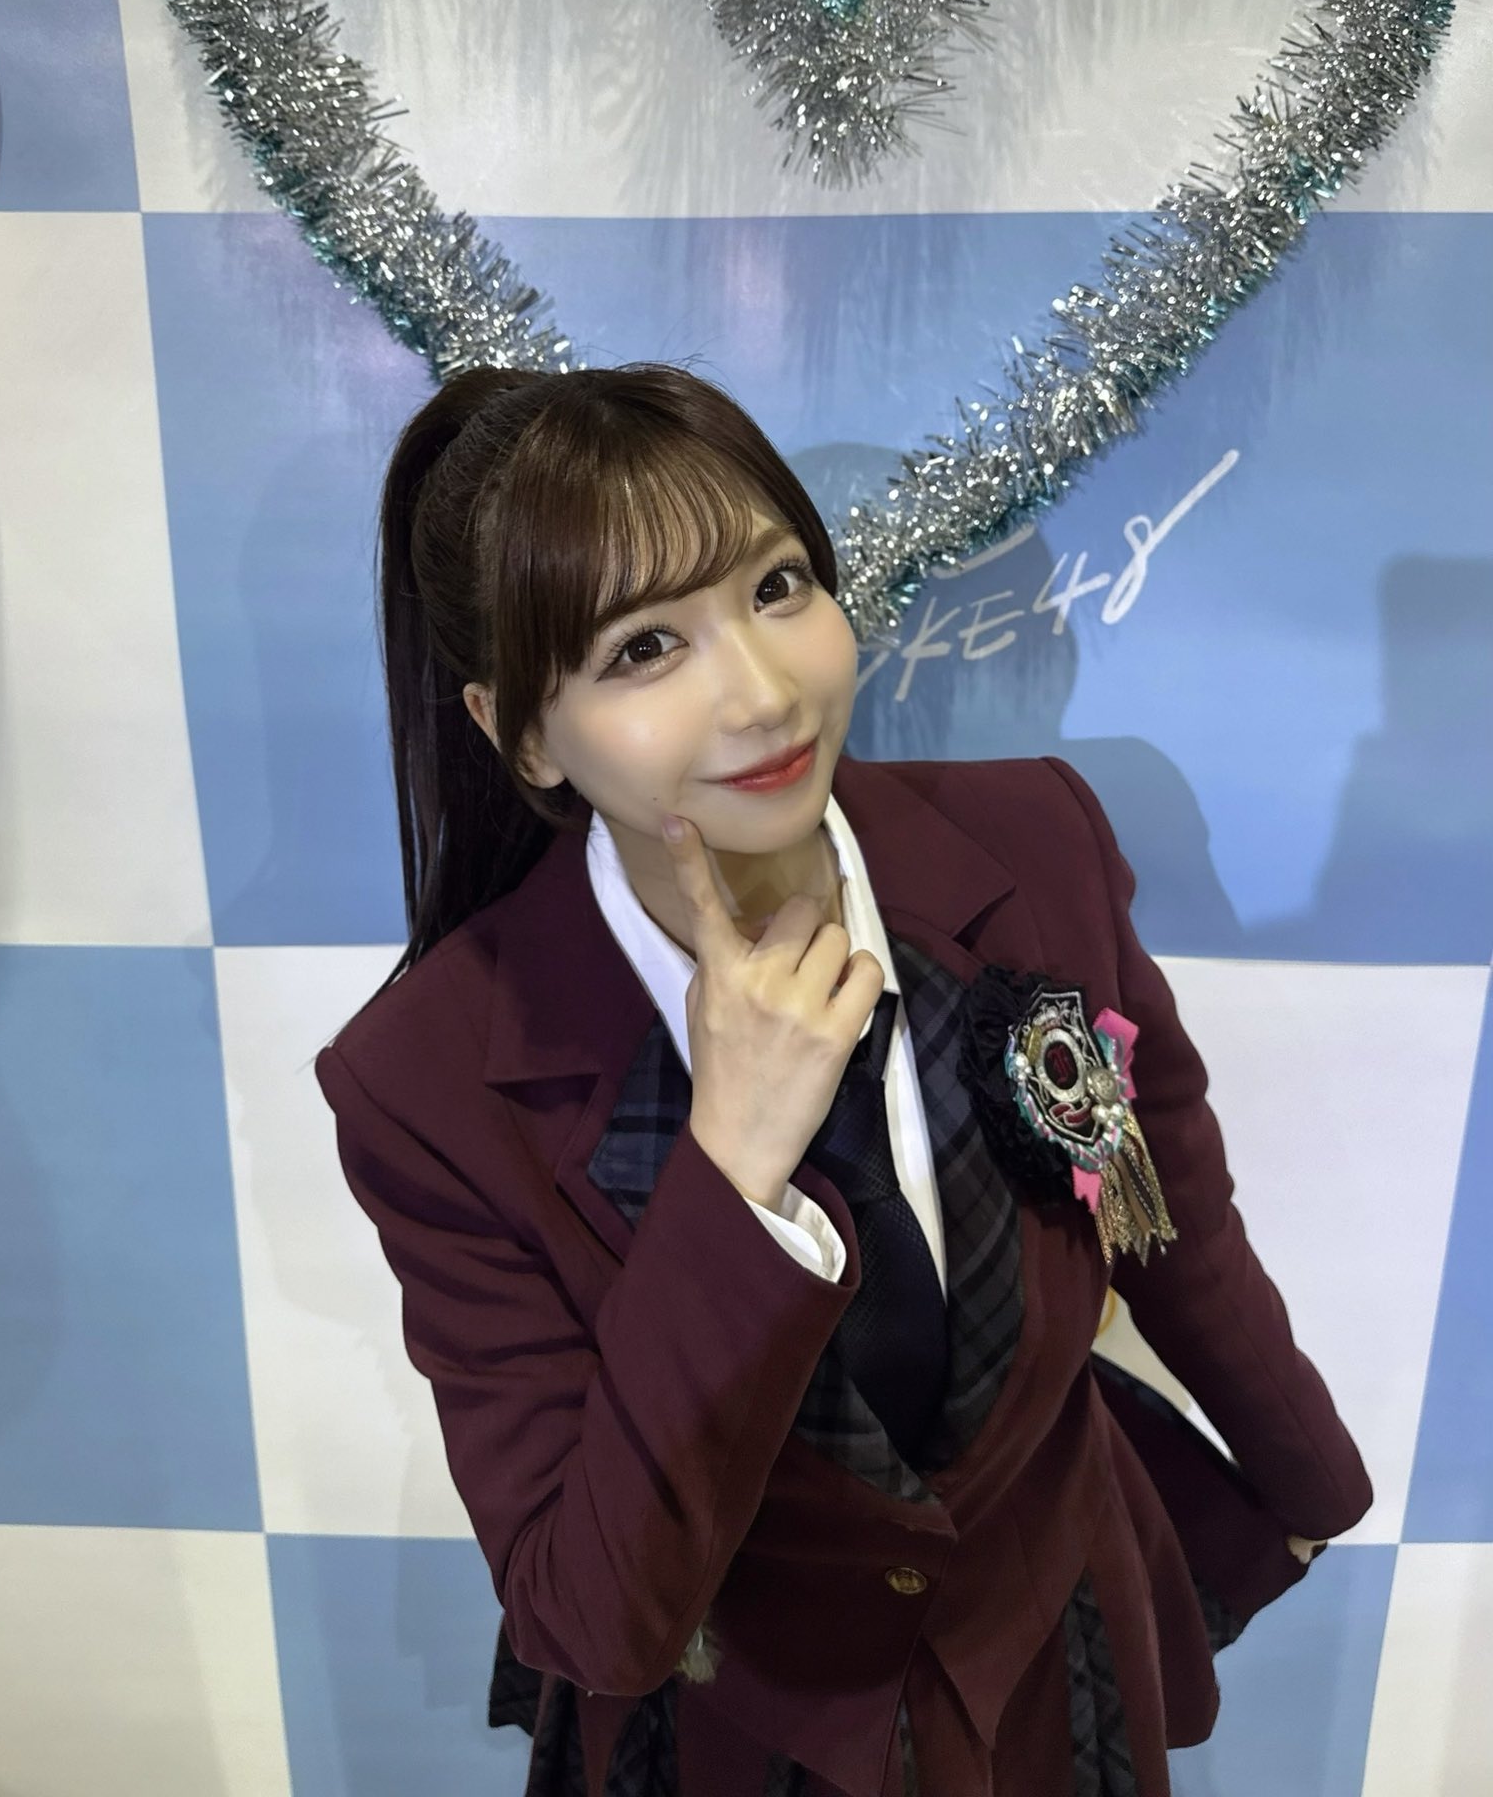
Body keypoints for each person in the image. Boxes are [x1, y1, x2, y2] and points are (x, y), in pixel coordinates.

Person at [314, 362, 1371, 1797]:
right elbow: (595, 1615)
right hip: (741, 1731)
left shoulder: (1036, 843)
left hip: (1056, 1662)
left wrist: (1308, 1483)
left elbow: (1159, 1189)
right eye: (643, 649)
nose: (763, 693)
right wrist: (730, 1177)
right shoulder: (428, 1081)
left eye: (779, 587)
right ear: (520, 733)